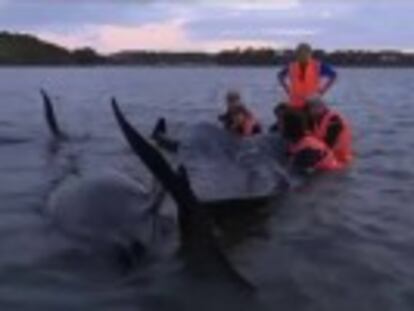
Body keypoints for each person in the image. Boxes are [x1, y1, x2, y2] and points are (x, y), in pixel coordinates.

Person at [278, 43, 337, 109]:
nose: (303, 56)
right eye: (300, 53)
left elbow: (333, 75)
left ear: (310, 54)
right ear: (297, 55)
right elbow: (280, 76)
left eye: (305, 53)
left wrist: (322, 91)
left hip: (312, 103)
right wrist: (288, 90)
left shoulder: (317, 66)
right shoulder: (292, 66)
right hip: (295, 103)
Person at [306, 98, 353, 165]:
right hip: (329, 157)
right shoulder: (317, 119)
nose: (311, 111)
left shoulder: (334, 119)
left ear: (322, 107)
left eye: (313, 108)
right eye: (310, 109)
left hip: (339, 160)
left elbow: (329, 143)